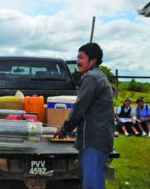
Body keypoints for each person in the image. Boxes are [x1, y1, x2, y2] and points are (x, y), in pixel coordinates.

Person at [54, 42, 115, 189]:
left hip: (94, 140)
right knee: (87, 180)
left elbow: (79, 108)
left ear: (92, 60)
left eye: (81, 58)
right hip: (94, 139)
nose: (77, 62)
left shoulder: (92, 78)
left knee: (91, 184)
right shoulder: (97, 76)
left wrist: (64, 128)